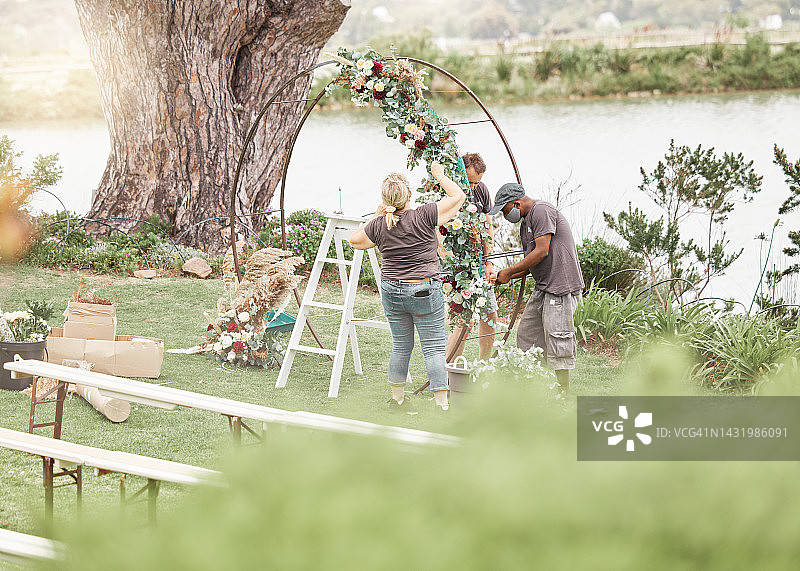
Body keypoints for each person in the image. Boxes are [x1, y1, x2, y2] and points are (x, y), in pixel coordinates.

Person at [350, 162, 466, 410]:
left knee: (401, 346)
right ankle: (442, 405)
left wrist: (378, 214)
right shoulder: (424, 215)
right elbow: (458, 196)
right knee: (434, 347)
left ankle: (397, 400)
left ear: (385, 199)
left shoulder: (380, 224)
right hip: (424, 289)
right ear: (409, 195)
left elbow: (355, 240)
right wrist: (440, 175)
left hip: (392, 290)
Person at [489, 183, 584, 393]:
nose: (506, 217)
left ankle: (562, 393)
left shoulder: (542, 211)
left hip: (560, 287)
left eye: (505, 211)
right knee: (527, 334)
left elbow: (542, 251)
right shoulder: (525, 225)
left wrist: (510, 270)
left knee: (558, 338)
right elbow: (530, 262)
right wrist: (504, 276)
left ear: (516, 203)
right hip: (543, 286)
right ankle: (535, 387)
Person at [441, 153, 499, 361]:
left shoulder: (481, 189)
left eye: (478, 182)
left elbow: (487, 226)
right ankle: (449, 372)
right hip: (456, 266)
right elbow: (438, 232)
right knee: (463, 322)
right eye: (471, 182)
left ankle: (484, 365)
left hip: (479, 263)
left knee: (490, 314)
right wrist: (451, 265)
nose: (474, 187)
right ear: (460, 174)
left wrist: (489, 261)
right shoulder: (447, 192)